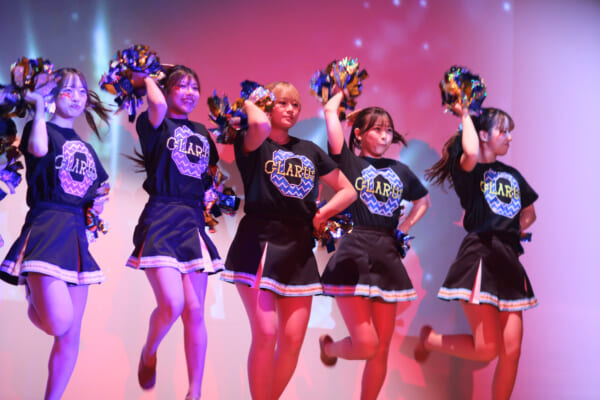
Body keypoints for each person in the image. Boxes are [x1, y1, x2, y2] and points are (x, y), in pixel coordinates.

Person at [220, 81, 357, 400]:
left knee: (293, 341)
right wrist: (253, 101)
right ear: (267, 105)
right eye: (283, 103)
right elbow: (257, 123)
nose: (291, 109)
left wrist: (322, 215)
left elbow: (348, 190)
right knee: (266, 333)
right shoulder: (253, 141)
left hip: (298, 248)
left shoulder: (310, 150)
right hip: (259, 242)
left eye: (296, 104)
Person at [0, 67, 111, 400]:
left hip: (75, 236)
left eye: (82, 91)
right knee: (59, 322)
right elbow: (36, 149)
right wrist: (38, 108)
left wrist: (97, 210)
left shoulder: (86, 148)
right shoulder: (42, 129)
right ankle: (32, 296)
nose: (77, 97)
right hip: (46, 228)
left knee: (70, 334)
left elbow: (99, 190)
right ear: (52, 95)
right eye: (68, 90)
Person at [415, 105, 538, 400]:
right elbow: (470, 152)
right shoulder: (469, 169)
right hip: (480, 256)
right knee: (486, 350)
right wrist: (465, 114)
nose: (509, 137)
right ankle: (431, 340)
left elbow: (530, 213)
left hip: (508, 259)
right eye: (502, 131)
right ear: (483, 135)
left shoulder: (513, 174)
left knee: (512, 351)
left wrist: (512, 229)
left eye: (510, 132)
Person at [317, 92, 429, 399]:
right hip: (353, 250)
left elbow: (423, 200)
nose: (384, 135)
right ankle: (329, 347)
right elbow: (331, 117)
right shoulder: (348, 161)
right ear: (358, 134)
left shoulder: (400, 170)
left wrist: (404, 227)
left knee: (381, 348)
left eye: (389, 130)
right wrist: (340, 93)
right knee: (367, 345)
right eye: (377, 129)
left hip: (387, 255)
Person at [125, 65, 226, 400]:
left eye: (194, 86)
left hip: (192, 221)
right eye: (181, 85)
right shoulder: (154, 121)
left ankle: (194, 392)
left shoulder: (202, 132)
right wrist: (150, 74)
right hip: (161, 218)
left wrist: (211, 196)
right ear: (166, 90)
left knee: (195, 312)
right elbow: (156, 102)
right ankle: (149, 352)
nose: (190, 92)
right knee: (172, 302)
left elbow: (210, 175)